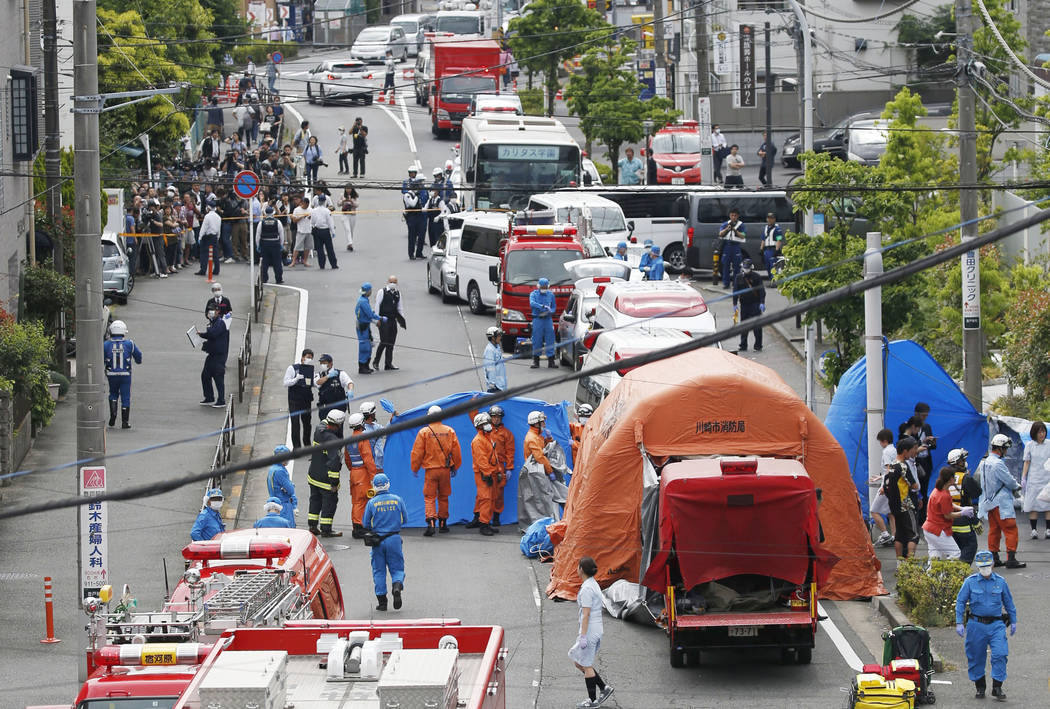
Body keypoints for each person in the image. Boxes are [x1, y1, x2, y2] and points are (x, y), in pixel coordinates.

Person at [955, 549, 1018, 700]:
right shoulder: (970, 582)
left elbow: (1009, 602)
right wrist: (959, 622)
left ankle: (997, 687)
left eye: (987, 566)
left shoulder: (1000, 582)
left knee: (1001, 654)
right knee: (976, 656)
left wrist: (1014, 620)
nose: (985, 569)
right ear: (977, 566)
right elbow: (960, 602)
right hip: (976, 625)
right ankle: (980, 687)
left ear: (993, 564)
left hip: (996, 625)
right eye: (982, 567)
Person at [410, 405, 462, 537]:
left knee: (429, 497)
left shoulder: (424, 432)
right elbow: (456, 452)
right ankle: (443, 524)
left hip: (431, 470)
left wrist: (415, 468)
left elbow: (417, 452)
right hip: (445, 470)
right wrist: (455, 466)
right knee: (444, 496)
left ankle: (431, 523)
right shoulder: (450, 431)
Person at [571, 556, 614, 708]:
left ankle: (593, 701)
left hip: (590, 631)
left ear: (581, 569)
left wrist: (583, 636)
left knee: (586, 664)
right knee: (579, 662)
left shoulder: (587, 589)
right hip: (595, 629)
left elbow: (586, 614)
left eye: (577, 566)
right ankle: (604, 688)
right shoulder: (592, 584)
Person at [979, 434, 1026, 568]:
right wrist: (1017, 486)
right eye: (1005, 448)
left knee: (994, 530)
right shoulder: (998, 464)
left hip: (989, 502)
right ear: (1000, 449)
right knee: (1010, 529)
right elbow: (1009, 481)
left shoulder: (985, 462)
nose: (1006, 451)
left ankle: (994, 557)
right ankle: (1011, 559)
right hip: (1001, 503)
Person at [363, 473, 408, 611]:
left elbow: (365, 523)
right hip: (394, 539)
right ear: (388, 484)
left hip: (378, 541)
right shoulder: (397, 500)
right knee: (397, 568)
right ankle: (397, 585)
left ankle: (382, 602)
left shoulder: (371, 503)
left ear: (374, 487)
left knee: (379, 571)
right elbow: (405, 520)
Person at [307, 409, 346, 537]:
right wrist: (334, 483)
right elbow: (334, 464)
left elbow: (324, 421)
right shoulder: (333, 440)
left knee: (315, 500)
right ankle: (326, 529)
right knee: (329, 503)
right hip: (325, 480)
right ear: (338, 425)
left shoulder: (319, 429)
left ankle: (312, 526)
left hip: (313, 475)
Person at [923, 467, 972, 559]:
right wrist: (962, 513)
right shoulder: (944, 495)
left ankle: (932, 574)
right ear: (950, 479)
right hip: (938, 529)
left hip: (929, 529)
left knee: (935, 557)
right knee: (955, 553)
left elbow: (948, 505)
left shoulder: (938, 490)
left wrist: (961, 508)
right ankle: (947, 573)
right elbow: (948, 515)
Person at [465, 413, 501, 536]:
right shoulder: (478, 441)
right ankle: (484, 524)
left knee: (489, 498)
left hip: (490, 472)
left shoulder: (487, 438)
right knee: (486, 498)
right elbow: (481, 460)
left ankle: (485, 521)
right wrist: (488, 474)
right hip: (484, 474)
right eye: (486, 423)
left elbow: (493, 457)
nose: (490, 425)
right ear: (480, 426)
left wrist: (499, 471)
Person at [885, 436, 921, 558]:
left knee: (899, 536)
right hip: (906, 505)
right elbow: (915, 485)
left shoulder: (891, 466)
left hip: (894, 506)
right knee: (913, 535)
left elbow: (886, 485)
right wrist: (911, 487)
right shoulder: (903, 466)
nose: (914, 452)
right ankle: (909, 565)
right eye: (913, 449)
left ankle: (900, 564)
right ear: (905, 450)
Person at [104, 320, 143, 429]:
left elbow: (101, 358)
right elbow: (138, 356)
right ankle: (125, 422)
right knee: (125, 396)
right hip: (125, 374)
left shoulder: (106, 344)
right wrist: (138, 361)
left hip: (111, 373)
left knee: (113, 393)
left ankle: (113, 415)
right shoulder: (129, 343)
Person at [344, 412, 377, 539]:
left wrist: (353, 470)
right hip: (363, 474)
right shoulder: (363, 439)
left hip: (354, 473)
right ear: (361, 424)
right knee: (362, 501)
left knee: (356, 501)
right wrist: (374, 476)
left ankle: (356, 526)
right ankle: (359, 527)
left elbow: (347, 459)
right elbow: (368, 459)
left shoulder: (349, 440)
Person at [946, 448, 982, 564]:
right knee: (969, 547)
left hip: (948, 520)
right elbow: (977, 492)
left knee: (954, 550)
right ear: (958, 462)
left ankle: (953, 572)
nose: (965, 462)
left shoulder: (944, 477)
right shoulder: (965, 478)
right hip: (963, 521)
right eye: (963, 460)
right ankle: (961, 572)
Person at [198, 304, 231, 408]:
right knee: (205, 375)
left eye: (212, 310)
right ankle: (209, 397)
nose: (210, 312)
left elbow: (213, 334)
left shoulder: (220, 323)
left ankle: (221, 400)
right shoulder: (214, 322)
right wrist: (202, 334)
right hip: (212, 354)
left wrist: (202, 334)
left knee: (218, 377)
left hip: (219, 355)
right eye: (209, 311)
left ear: (217, 312)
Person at [1021, 420, 1050, 538]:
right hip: (1034, 478)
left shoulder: (1049, 444)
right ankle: (1034, 530)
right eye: (1039, 432)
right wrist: (1023, 477)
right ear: (1034, 433)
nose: (1041, 434)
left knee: (1048, 504)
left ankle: (1048, 530)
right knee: (1033, 505)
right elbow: (1027, 462)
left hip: (1047, 478)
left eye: (1043, 431)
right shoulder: (1030, 445)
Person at [488, 405, 514, 528]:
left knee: (498, 493)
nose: (496, 419)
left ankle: (496, 516)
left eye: (498, 417)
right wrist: (473, 403)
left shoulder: (507, 434)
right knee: (485, 493)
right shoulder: (486, 430)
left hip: (500, 466)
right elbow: (474, 420)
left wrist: (509, 468)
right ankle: (482, 517)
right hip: (487, 465)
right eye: (494, 417)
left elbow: (510, 451)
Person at [283, 349, 315, 449]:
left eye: (310, 358)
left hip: (306, 400)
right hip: (294, 400)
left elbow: (313, 383)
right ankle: (297, 448)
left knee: (307, 423)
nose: (308, 359)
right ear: (302, 357)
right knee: (295, 423)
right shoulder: (293, 368)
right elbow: (286, 383)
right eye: (307, 357)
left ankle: (307, 444)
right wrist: (296, 379)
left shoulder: (310, 370)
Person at [869, 428, 896, 547]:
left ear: (884, 441)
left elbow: (889, 470)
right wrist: (879, 478)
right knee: (891, 513)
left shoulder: (886, 452)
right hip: (893, 484)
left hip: (887, 486)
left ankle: (885, 534)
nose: (880, 444)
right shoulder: (894, 450)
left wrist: (884, 485)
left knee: (874, 511)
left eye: (880, 441)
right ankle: (895, 536)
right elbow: (893, 470)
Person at [374, 276, 406, 371]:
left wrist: (402, 321)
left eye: (395, 282)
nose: (393, 283)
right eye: (391, 281)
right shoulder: (382, 292)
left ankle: (388, 363)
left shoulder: (397, 293)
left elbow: (400, 308)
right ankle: (376, 361)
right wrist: (377, 320)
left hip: (393, 320)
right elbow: (377, 306)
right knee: (384, 341)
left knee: (391, 343)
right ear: (388, 282)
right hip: (383, 320)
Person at [733, 259, 766, 353]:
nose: (746, 270)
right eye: (745, 268)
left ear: (751, 268)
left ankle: (758, 345)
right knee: (744, 325)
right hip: (744, 304)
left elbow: (761, 290)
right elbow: (735, 291)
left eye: (747, 268)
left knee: (757, 326)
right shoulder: (738, 277)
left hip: (755, 304)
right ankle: (743, 345)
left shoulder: (757, 277)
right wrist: (735, 304)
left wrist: (762, 302)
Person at [355, 283, 386, 374]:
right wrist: (380, 318)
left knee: (368, 345)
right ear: (368, 291)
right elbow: (370, 314)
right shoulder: (363, 301)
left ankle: (366, 366)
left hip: (364, 325)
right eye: (370, 290)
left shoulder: (363, 300)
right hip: (363, 326)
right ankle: (362, 367)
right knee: (365, 346)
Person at [315, 353, 354, 420]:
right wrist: (328, 376)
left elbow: (349, 382)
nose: (322, 365)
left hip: (339, 407)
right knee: (325, 429)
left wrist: (350, 390)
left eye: (324, 363)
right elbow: (318, 382)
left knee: (338, 428)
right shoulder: (319, 375)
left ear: (331, 363)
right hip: (325, 407)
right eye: (321, 363)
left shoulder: (340, 373)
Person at [266, 445, 298, 527]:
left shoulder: (272, 468)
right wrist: (291, 485)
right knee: (288, 529)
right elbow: (291, 490)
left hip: (274, 502)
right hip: (283, 505)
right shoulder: (280, 471)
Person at [530, 278, 557, 369]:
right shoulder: (533, 294)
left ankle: (551, 360)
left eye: (545, 287)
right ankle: (536, 360)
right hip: (537, 319)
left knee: (550, 339)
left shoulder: (551, 295)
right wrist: (541, 306)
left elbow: (553, 307)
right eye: (542, 287)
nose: (544, 288)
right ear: (539, 286)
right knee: (537, 339)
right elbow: (532, 303)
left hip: (548, 319)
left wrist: (550, 311)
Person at [402, 167, 428, 259]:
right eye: (421, 181)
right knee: (412, 236)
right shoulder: (410, 193)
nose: (422, 183)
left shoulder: (424, 190)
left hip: (422, 215)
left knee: (421, 235)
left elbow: (427, 200)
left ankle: (419, 252)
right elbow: (412, 204)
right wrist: (416, 195)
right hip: (412, 216)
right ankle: (411, 253)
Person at [718, 208, 746, 288]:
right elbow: (720, 234)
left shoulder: (741, 225)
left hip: (736, 246)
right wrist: (727, 229)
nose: (733, 217)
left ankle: (736, 283)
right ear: (730, 215)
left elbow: (743, 235)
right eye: (732, 215)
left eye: (735, 215)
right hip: (727, 246)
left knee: (737, 266)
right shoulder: (725, 224)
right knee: (725, 265)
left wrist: (735, 230)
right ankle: (726, 283)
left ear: (738, 216)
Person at [257, 205, 285, 284]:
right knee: (277, 262)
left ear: (265, 213)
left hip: (264, 244)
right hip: (275, 244)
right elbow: (281, 234)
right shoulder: (277, 222)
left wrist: (258, 245)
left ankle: (264, 279)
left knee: (264, 263)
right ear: (273, 213)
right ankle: (279, 279)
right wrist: (281, 244)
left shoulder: (261, 223)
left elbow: (258, 236)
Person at [310, 192, 338, 270]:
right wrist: (333, 232)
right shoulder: (327, 211)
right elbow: (330, 222)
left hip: (317, 230)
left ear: (318, 201)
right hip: (325, 231)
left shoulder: (314, 211)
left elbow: (312, 222)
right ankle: (334, 264)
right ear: (325, 201)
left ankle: (322, 265)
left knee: (320, 249)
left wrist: (312, 227)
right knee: (329, 249)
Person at [524, 410, 554, 480]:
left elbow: (544, 448)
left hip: (538, 471)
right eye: (542, 422)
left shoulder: (537, 436)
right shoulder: (532, 438)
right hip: (535, 473)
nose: (544, 424)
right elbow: (540, 457)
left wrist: (549, 439)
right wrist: (550, 472)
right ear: (536, 424)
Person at [196, 200, 222, 276]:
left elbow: (204, 228)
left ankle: (203, 270)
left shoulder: (207, 216)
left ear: (208, 207)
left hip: (207, 237)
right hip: (214, 236)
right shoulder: (218, 217)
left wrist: (200, 237)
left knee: (204, 254)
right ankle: (216, 270)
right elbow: (219, 229)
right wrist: (218, 237)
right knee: (215, 254)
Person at [360, 401, 387, 473]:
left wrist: (393, 418)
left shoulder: (374, 425)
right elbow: (378, 453)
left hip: (374, 465)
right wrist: (379, 468)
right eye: (374, 413)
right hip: (375, 467)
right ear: (371, 415)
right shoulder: (367, 432)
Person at [483, 326, 507, 392]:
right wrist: (492, 383)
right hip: (495, 387)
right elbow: (490, 368)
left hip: (501, 385)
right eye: (498, 336)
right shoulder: (490, 350)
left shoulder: (497, 347)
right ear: (493, 338)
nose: (500, 337)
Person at [761, 212, 784, 281]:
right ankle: (771, 279)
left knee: (773, 266)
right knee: (767, 266)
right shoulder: (766, 228)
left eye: (771, 218)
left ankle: (773, 280)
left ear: (774, 219)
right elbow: (763, 239)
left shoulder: (777, 229)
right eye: (768, 218)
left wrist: (776, 250)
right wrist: (761, 249)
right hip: (766, 250)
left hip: (773, 249)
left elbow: (779, 240)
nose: (769, 220)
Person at [291, 196, 313, 267]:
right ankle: (293, 261)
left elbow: (314, 219)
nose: (306, 206)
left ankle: (305, 261)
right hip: (300, 230)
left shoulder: (310, 210)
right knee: (297, 247)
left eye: (307, 204)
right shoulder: (297, 210)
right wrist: (301, 217)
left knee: (307, 247)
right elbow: (294, 220)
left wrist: (310, 217)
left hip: (309, 230)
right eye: (304, 204)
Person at [340, 186, 359, 252]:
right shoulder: (342, 195)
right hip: (345, 215)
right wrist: (343, 201)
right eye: (347, 188)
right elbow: (338, 204)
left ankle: (349, 244)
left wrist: (351, 201)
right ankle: (350, 243)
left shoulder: (354, 196)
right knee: (347, 229)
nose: (348, 190)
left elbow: (357, 205)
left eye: (349, 188)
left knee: (351, 230)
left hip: (352, 214)